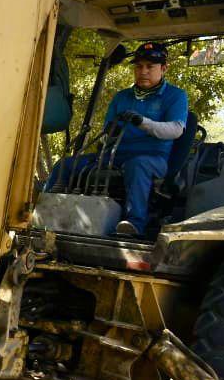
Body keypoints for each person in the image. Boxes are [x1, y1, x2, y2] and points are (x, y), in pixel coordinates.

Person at [47, 41, 188, 237]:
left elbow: (175, 130)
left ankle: (133, 224)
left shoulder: (176, 96)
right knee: (65, 164)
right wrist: (108, 137)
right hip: (114, 154)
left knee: (137, 165)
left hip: (153, 158)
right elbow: (108, 131)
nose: (143, 71)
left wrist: (142, 122)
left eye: (150, 67)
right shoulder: (122, 97)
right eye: (139, 66)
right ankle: (44, 209)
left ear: (163, 68)